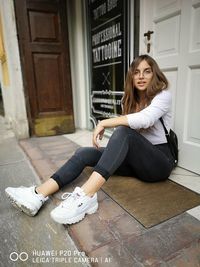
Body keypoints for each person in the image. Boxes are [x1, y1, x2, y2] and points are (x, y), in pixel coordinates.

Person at [5, 54, 175, 225]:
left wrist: (104, 123)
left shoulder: (163, 96)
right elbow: (130, 133)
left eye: (147, 71)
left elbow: (145, 120)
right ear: (131, 75)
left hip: (158, 163)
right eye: (136, 72)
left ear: (155, 74)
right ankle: (38, 194)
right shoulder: (129, 99)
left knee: (123, 132)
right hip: (135, 163)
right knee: (85, 153)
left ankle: (86, 197)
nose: (141, 76)